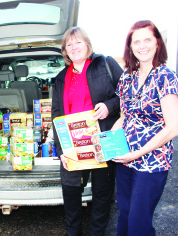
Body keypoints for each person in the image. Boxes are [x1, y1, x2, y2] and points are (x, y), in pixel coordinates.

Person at [51, 26, 123, 236]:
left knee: (102, 194)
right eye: (69, 44)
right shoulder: (61, 77)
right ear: (65, 50)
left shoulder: (105, 64)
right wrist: (61, 150)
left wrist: (109, 106)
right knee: (71, 193)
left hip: (102, 140)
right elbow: (56, 116)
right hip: (73, 145)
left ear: (87, 44)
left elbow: (127, 95)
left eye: (78, 42)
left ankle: (97, 232)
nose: (74, 47)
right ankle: (73, 232)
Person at [112, 20, 178, 236]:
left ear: (158, 43)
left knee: (138, 223)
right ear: (130, 47)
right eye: (136, 41)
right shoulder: (126, 78)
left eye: (147, 39)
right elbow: (124, 117)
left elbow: (173, 128)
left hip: (152, 162)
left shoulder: (165, 77)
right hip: (125, 159)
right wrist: (106, 141)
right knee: (124, 215)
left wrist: (137, 154)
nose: (142, 45)